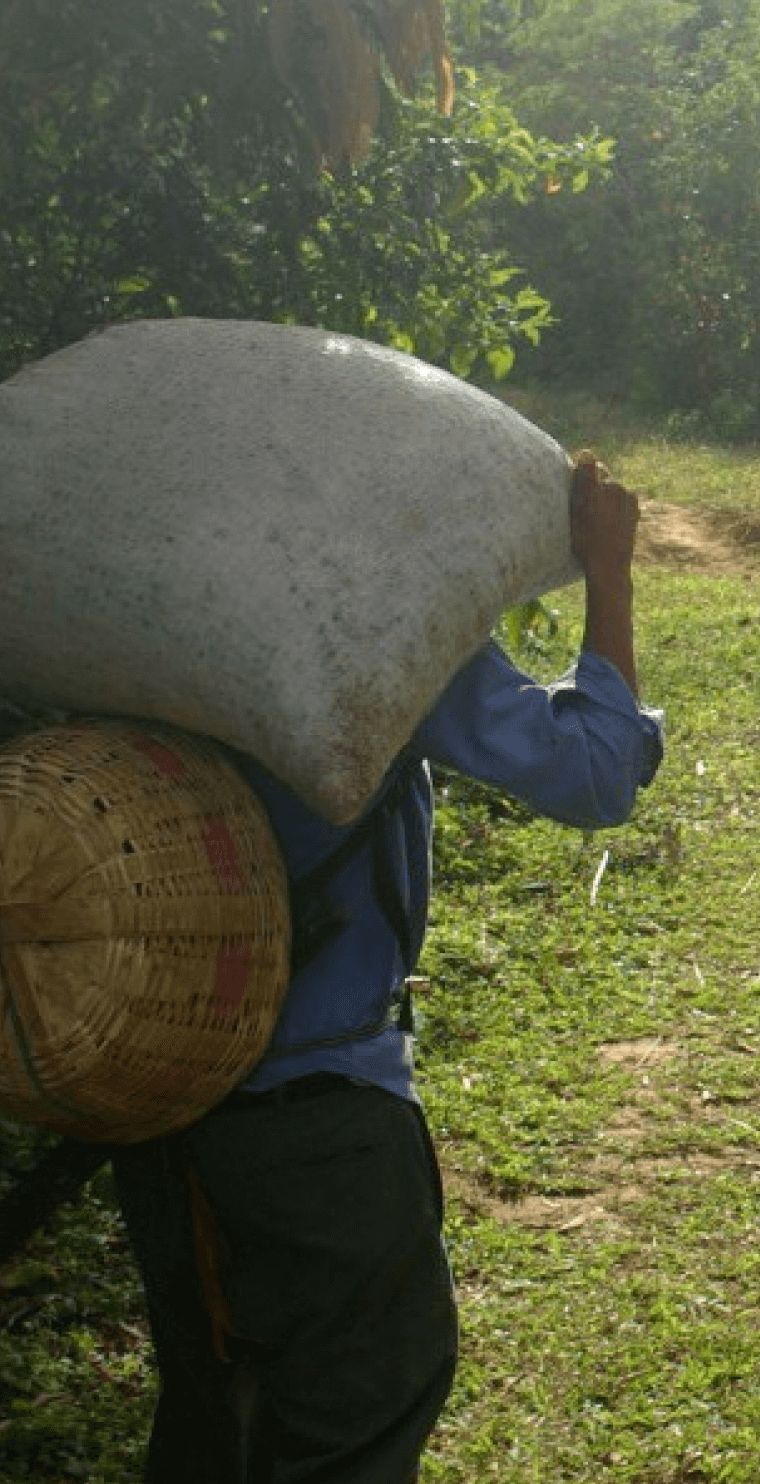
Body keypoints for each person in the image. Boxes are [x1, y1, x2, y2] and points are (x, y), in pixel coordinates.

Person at [110, 454, 664, 1482]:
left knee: (213, 1416)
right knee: (361, 1409)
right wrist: (610, 572)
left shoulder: (122, 622)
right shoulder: (376, 625)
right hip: (319, 1115)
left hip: (154, 1099)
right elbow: (595, 771)